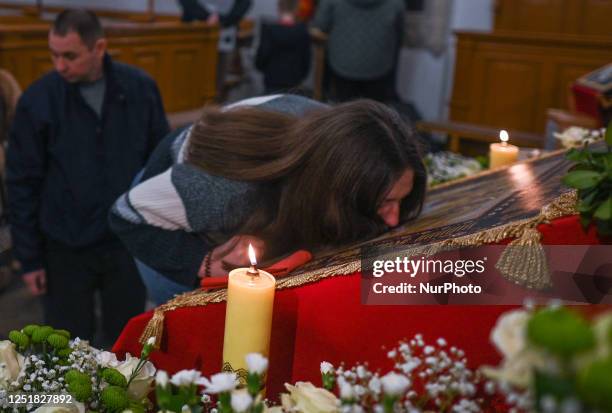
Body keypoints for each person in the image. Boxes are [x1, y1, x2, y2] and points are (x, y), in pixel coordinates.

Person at [109, 94, 426, 305]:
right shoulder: (226, 190)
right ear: (338, 186)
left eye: (401, 199)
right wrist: (200, 264)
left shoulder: (347, 145)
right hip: (164, 214)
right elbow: (125, 214)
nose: (393, 219)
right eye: (384, 202)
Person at [6, 9, 170, 343]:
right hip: (65, 247)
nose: (60, 65)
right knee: (67, 347)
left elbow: (159, 166)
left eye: (70, 56)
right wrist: (29, 258)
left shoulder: (139, 89)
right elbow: (22, 182)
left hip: (126, 243)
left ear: (99, 48)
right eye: (54, 55)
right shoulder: (39, 101)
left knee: (125, 345)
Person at [312, 0, 404, 102]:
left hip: (343, 62)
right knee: (375, 111)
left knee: (344, 109)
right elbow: (400, 32)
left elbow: (320, 25)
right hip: (379, 64)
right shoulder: (396, 3)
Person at [177, 0, 252, 100]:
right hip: (195, 31)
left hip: (226, 32)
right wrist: (207, 16)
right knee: (190, 76)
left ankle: (216, 101)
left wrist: (222, 19)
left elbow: (244, 3)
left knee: (219, 77)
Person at [255, 0, 311, 94]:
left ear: (279, 8)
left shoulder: (270, 31)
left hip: (272, 80)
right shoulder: (303, 32)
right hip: (294, 81)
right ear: (297, 9)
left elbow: (261, 58)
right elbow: (306, 61)